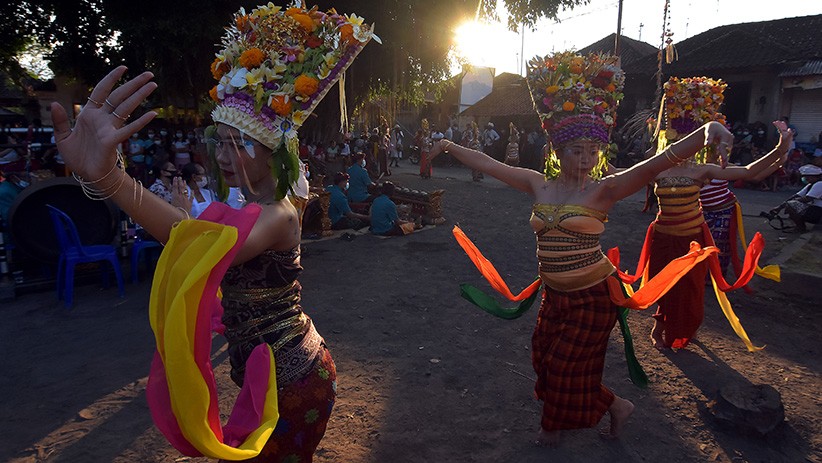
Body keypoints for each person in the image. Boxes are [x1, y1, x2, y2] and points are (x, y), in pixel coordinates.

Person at [49, 3, 376, 460]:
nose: (224, 156)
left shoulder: (279, 214)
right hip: (265, 375)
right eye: (218, 142)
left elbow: (194, 241)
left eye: (239, 144)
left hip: (297, 380)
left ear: (276, 150)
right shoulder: (243, 205)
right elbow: (195, 235)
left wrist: (112, 179)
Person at [427, 51, 734, 447]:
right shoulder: (538, 183)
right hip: (554, 296)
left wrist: (706, 128)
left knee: (562, 365)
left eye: (594, 150)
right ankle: (615, 405)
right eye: (577, 150)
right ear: (558, 149)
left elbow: (655, 165)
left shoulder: (604, 190)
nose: (587, 158)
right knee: (543, 360)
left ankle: (551, 430)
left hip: (594, 298)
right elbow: (489, 165)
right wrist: (449, 144)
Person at [645, 77, 785, 351]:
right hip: (662, 237)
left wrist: (780, 149)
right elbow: (617, 178)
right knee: (665, 285)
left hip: (694, 239)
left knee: (693, 289)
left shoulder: (702, 170)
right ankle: (658, 328)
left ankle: (686, 327)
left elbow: (748, 173)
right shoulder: (656, 169)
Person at [776, 164, 822, 232]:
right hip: (816, 210)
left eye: (807, 177)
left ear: (814, 177)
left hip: (819, 211)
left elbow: (807, 198)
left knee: (792, 205)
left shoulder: (819, 184)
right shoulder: (810, 185)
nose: (805, 179)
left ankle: (800, 228)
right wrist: (780, 207)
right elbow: (796, 195)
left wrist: (790, 204)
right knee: (791, 204)